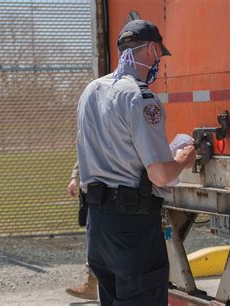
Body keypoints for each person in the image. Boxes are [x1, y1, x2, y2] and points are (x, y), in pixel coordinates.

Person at [76, 20, 196, 305]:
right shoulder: (140, 97)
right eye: (158, 54)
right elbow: (159, 175)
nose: (158, 62)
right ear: (152, 49)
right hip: (132, 230)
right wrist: (181, 159)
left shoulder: (91, 90)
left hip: (98, 227)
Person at [65, 162, 98, 301]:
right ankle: (92, 284)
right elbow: (85, 152)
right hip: (96, 192)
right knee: (95, 240)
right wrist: (75, 177)